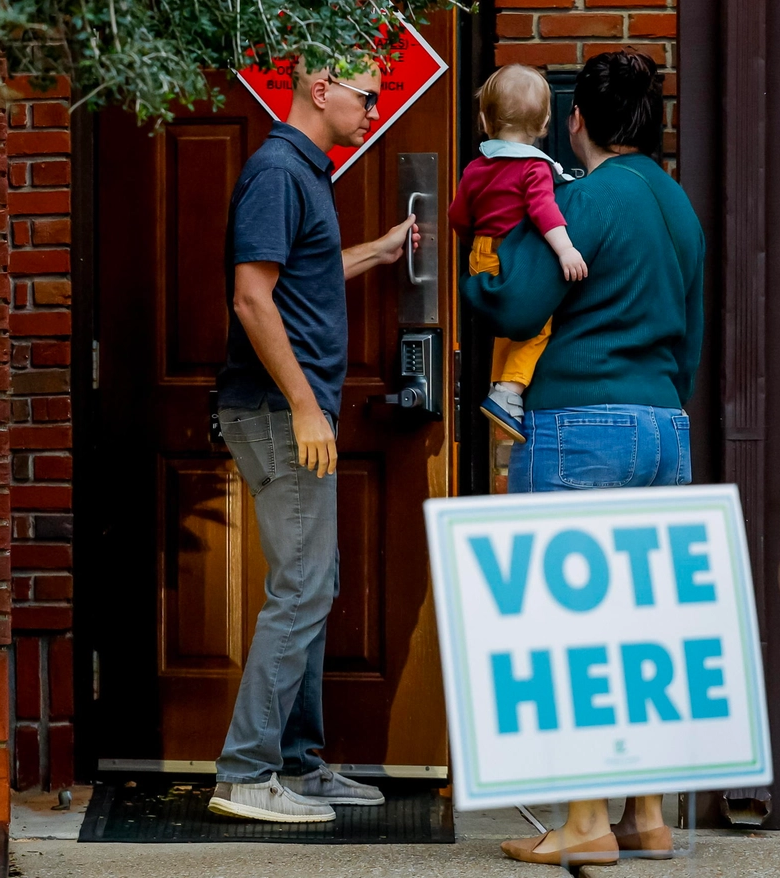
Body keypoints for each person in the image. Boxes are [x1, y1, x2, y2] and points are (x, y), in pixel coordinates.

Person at [461, 50, 705, 866]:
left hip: (579, 425)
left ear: (577, 121)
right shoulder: (679, 208)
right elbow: (694, 335)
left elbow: (521, 299)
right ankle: (646, 815)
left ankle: (584, 823)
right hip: (666, 425)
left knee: (567, 632)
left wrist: (477, 275)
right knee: (640, 629)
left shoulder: (586, 198)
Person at [205, 62, 419, 824]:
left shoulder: (303, 171)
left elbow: (302, 274)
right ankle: (246, 773)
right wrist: (303, 404)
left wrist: (379, 251)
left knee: (313, 585)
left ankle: (296, 763)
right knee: (301, 588)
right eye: (366, 94)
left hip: (287, 410)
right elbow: (251, 294)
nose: (373, 106)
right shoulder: (275, 171)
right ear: (320, 89)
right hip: (274, 411)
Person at [448, 64, 588, 443]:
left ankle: (501, 390)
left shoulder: (477, 167)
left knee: (506, 328)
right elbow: (544, 211)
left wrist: (472, 243)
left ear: (483, 119)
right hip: (516, 258)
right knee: (537, 324)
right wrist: (566, 250)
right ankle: (510, 390)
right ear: (545, 122)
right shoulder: (533, 167)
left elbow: (458, 215)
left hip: (482, 255)